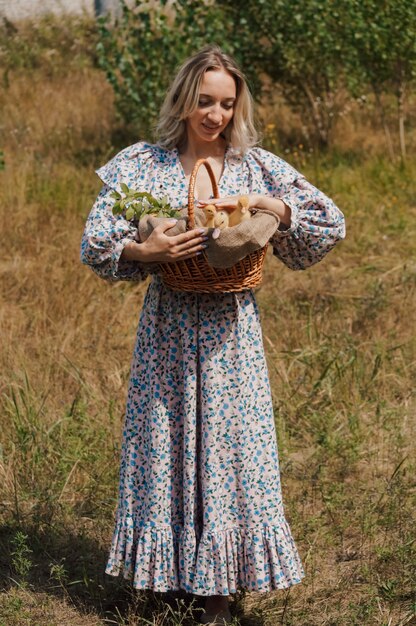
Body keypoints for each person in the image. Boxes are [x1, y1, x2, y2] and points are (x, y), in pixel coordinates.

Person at [80, 45, 345, 625]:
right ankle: (167, 577)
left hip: (232, 333)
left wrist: (262, 202)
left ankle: (218, 595)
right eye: (204, 101)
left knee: (231, 451)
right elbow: (95, 243)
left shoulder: (256, 165)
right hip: (168, 329)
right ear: (183, 99)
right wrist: (143, 249)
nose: (215, 115)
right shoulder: (142, 164)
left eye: (226, 104)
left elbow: (329, 222)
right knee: (164, 443)